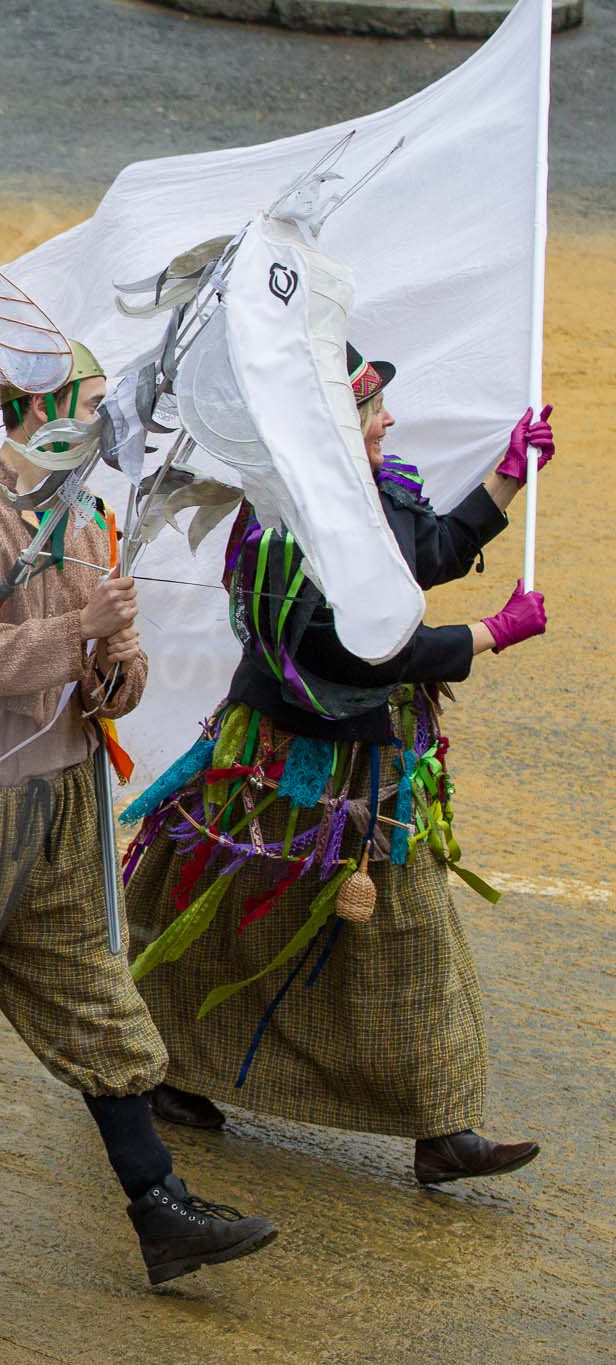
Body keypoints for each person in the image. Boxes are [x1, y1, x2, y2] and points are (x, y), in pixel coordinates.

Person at [0, 343, 278, 1285]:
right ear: (32, 408)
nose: (99, 421)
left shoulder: (85, 511)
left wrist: (117, 664)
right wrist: (74, 632)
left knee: (95, 987)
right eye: (85, 404)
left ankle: (157, 1207)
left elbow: (114, 671)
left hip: (64, 797)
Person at [121, 346, 551, 1186]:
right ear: (330, 429)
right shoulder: (287, 525)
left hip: (368, 765)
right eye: (370, 410)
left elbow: (427, 554)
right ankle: (168, 1068)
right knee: (223, 915)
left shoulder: (371, 495)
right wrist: (487, 634)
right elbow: (360, 646)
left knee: (411, 928)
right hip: (283, 764)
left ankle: (442, 1123)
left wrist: (508, 479)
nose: (388, 419)